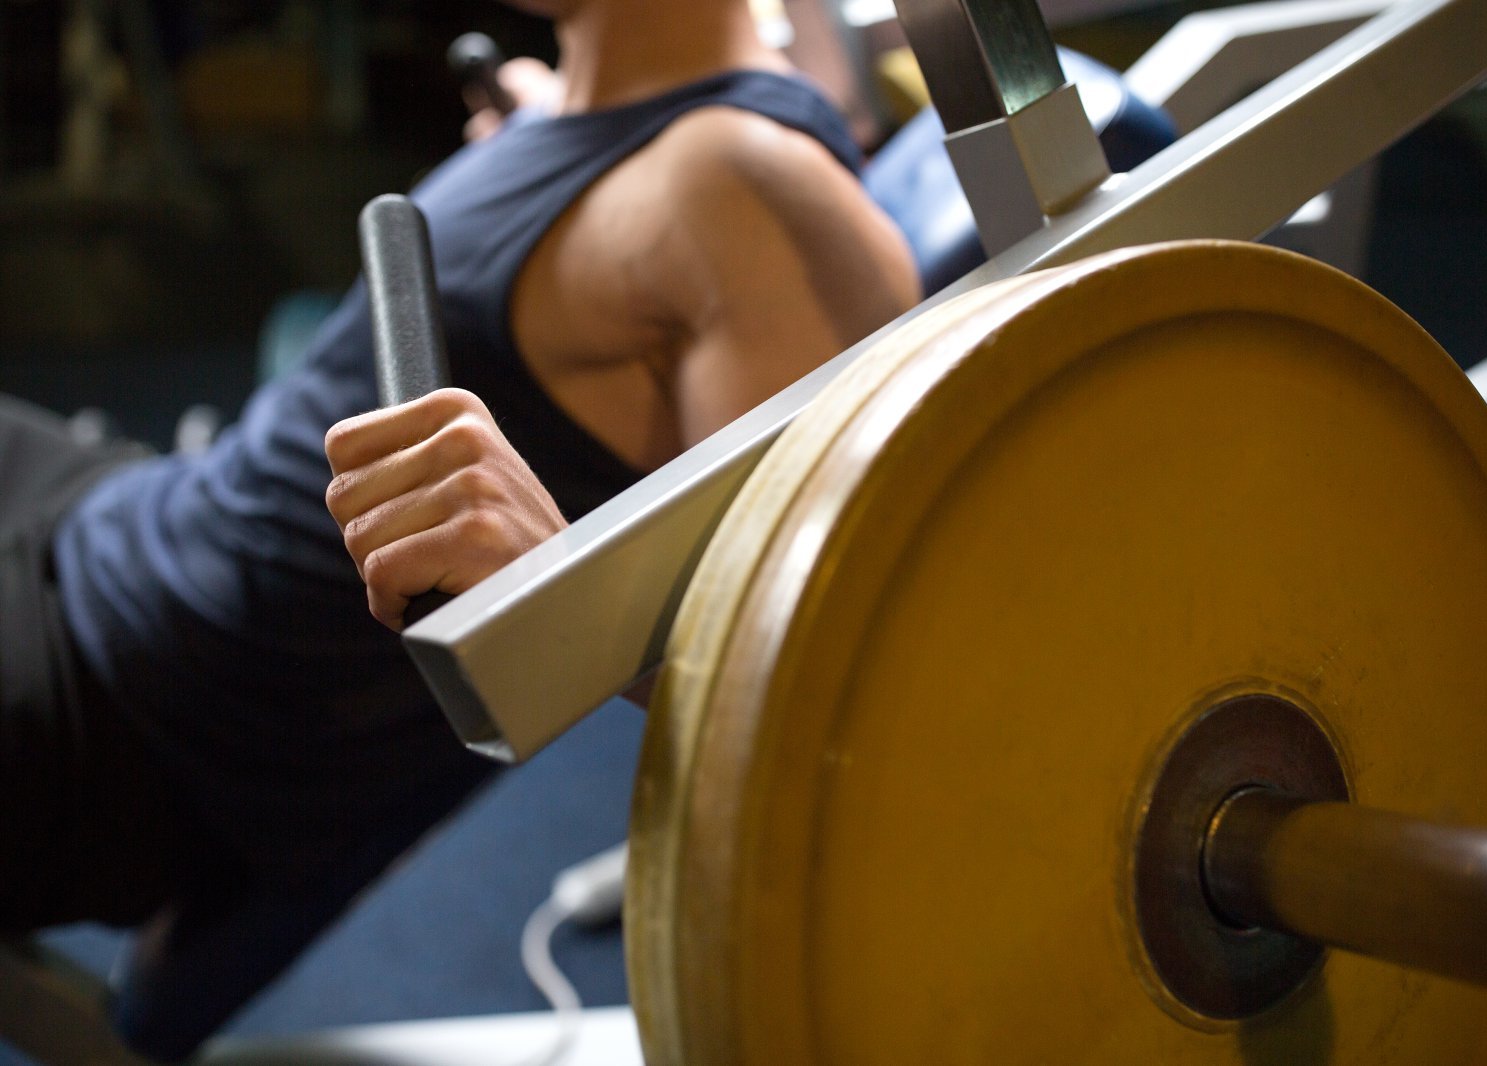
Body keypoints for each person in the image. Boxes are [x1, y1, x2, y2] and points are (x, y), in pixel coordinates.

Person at [0, 0, 918, 1039]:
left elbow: (840, 721)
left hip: (133, 704)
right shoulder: (585, 94)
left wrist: (567, 587)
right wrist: (541, 134)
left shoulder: (747, 196)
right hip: (120, 508)